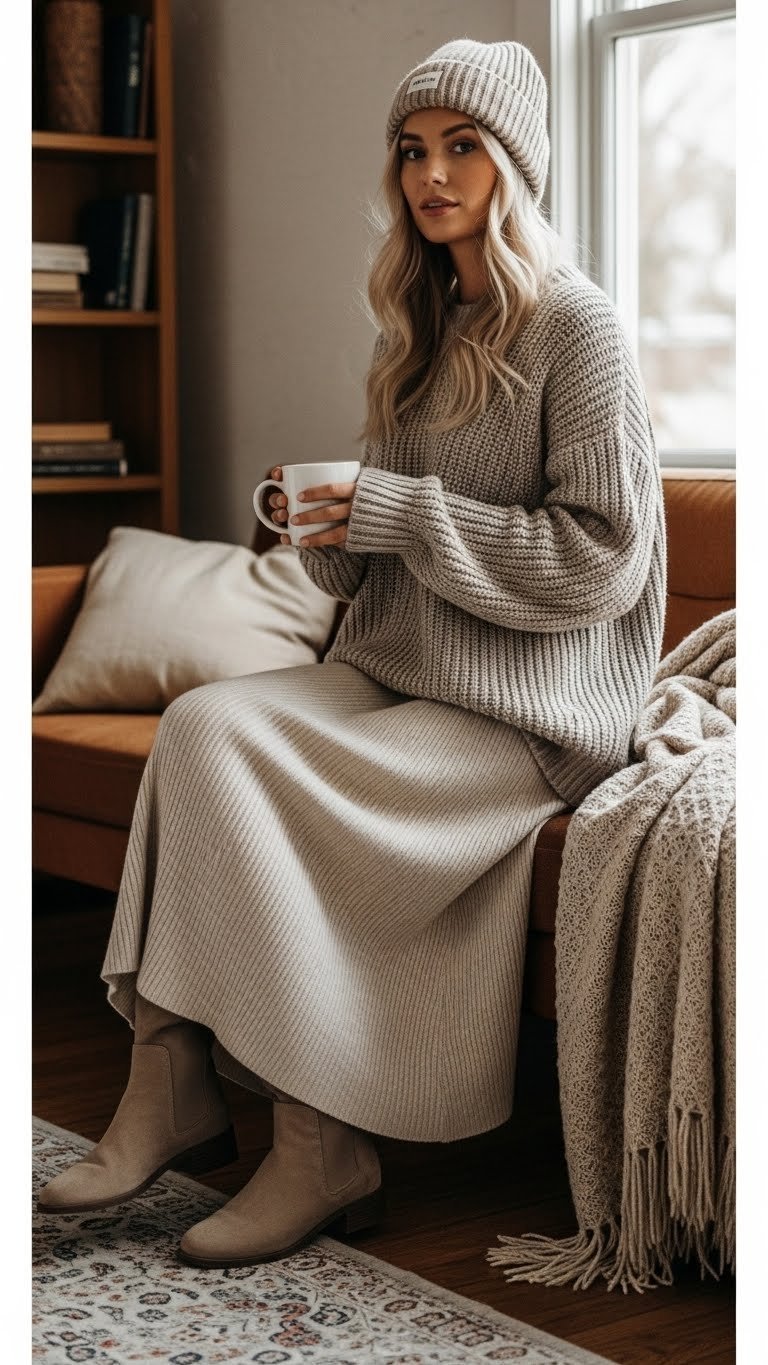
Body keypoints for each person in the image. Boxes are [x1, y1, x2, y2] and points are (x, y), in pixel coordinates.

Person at [37, 38, 666, 1269]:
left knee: (274, 782)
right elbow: (369, 563)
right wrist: (322, 527)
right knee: (207, 724)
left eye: (462, 148)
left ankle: (321, 1146)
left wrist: (398, 512)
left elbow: (606, 559)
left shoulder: (576, 331)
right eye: (412, 150)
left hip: (530, 710)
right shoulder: (418, 327)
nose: (431, 176)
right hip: (401, 668)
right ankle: (170, 1074)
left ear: (515, 165)